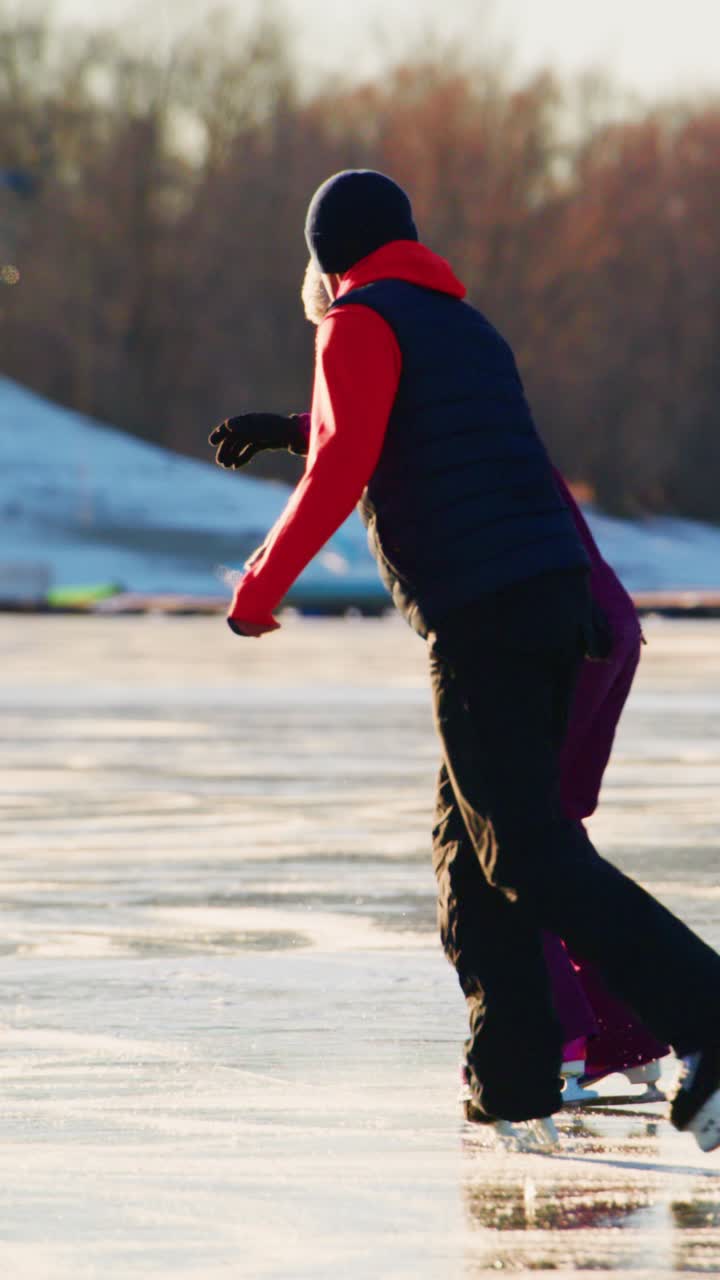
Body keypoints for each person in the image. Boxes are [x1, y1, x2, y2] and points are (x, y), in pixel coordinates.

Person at [208, 169, 720, 1150]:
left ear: (326, 257)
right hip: (551, 602)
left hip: (484, 615)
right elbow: (414, 437)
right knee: (471, 852)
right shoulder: (463, 324)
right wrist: (291, 426)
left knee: (527, 853)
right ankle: (515, 1074)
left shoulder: (356, 320)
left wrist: (257, 589)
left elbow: (344, 461)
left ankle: (708, 1015)